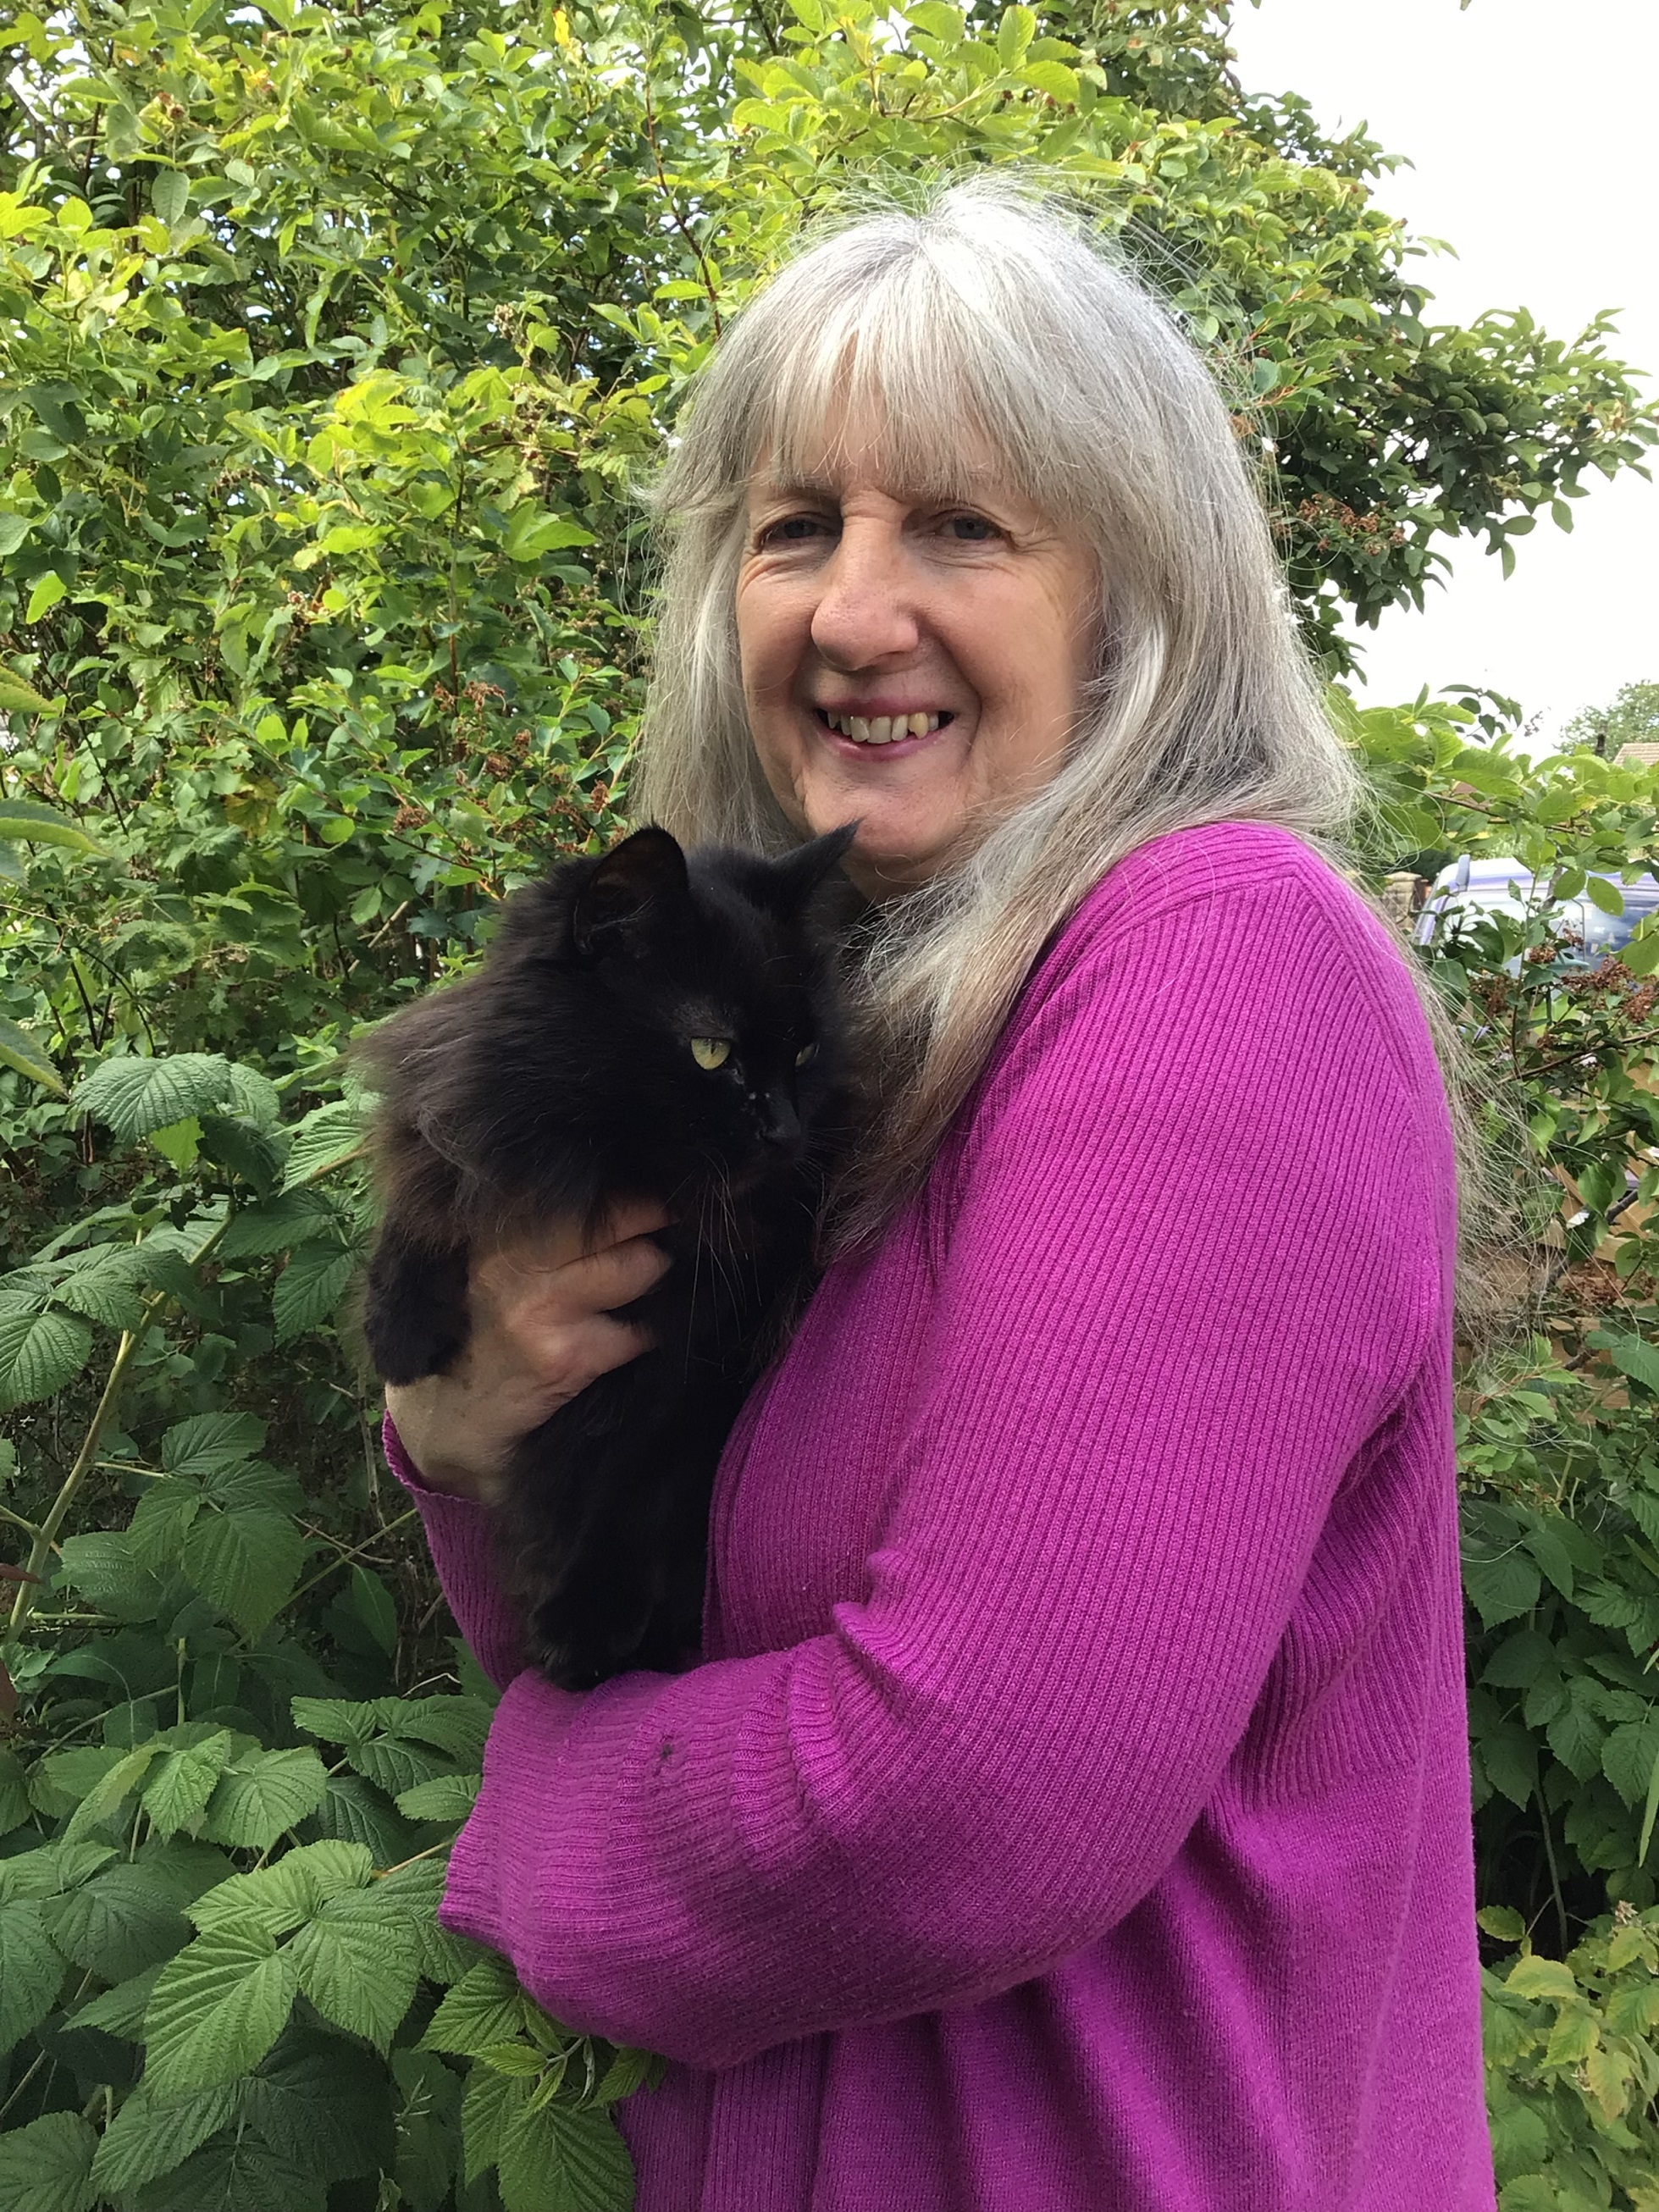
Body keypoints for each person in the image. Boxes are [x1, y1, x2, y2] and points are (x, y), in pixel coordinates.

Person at [384, 183, 1496, 2210]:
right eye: (793, 525)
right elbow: (604, 1633)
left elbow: (962, 1795)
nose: (851, 609)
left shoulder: (1209, 954)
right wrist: (462, 1436)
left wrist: (525, 1828)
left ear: (1131, 602)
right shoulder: (831, 1026)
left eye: (963, 529)